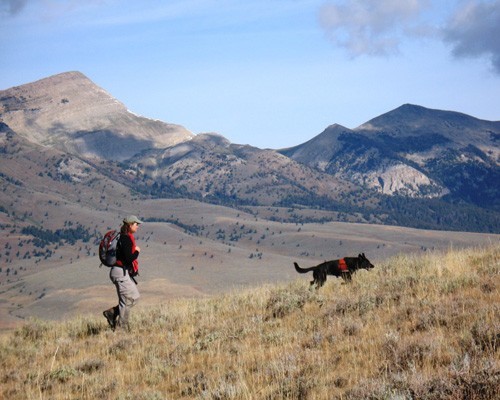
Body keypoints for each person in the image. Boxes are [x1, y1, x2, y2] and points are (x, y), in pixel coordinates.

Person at [103, 215, 142, 331]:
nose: (138, 226)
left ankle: (112, 313)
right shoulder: (125, 239)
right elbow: (129, 258)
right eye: (136, 224)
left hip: (121, 272)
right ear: (130, 225)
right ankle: (122, 329)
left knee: (134, 297)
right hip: (120, 273)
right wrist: (137, 252)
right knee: (127, 301)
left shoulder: (124, 237)